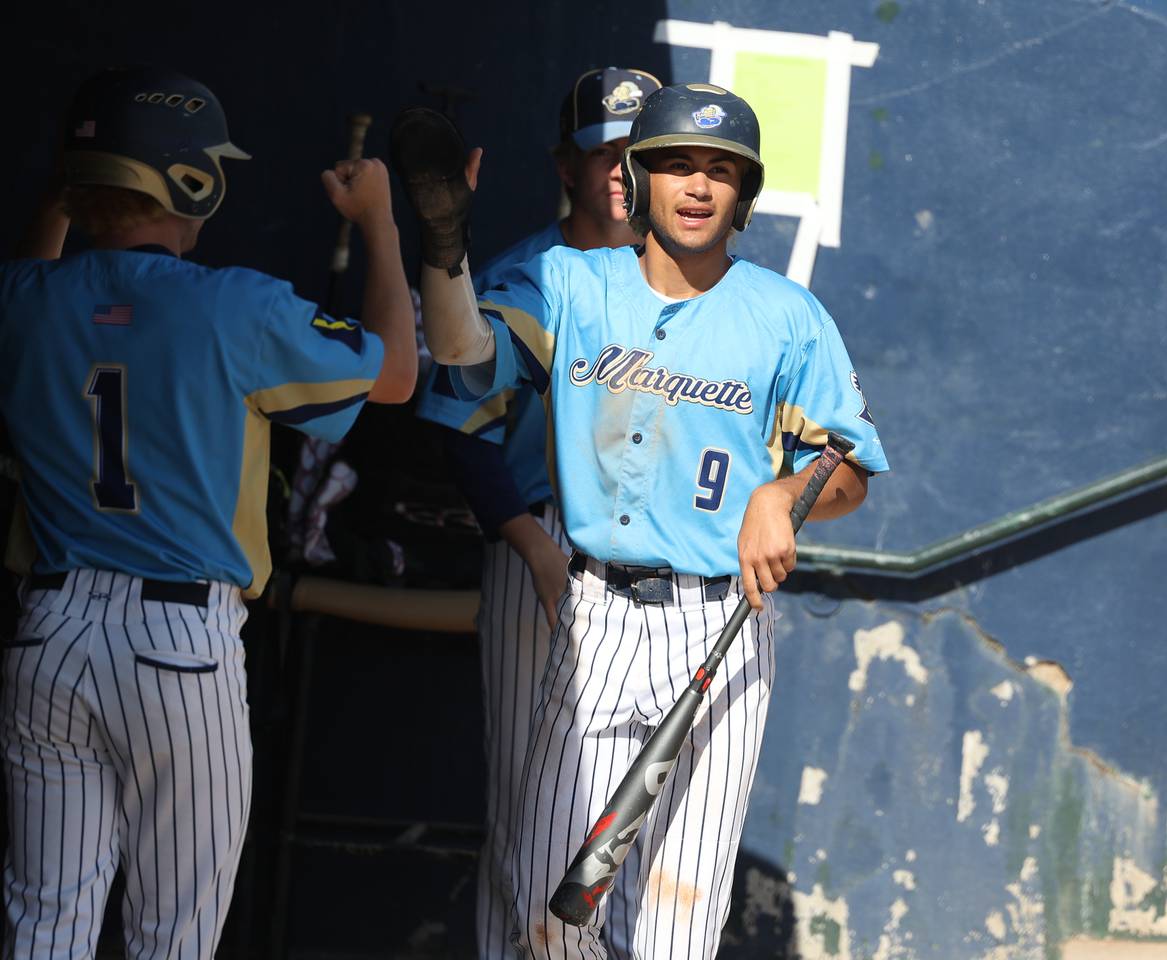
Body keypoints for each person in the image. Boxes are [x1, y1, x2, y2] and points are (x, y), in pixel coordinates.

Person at [397, 82, 888, 958]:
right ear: (637, 176)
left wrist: (781, 495)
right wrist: (444, 247)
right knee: (549, 913)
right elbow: (471, 358)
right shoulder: (571, 282)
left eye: (720, 169)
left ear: (746, 193)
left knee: (672, 929)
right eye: (676, 165)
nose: (698, 186)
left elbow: (849, 464)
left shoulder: (787, 315)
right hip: (594, 621)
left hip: (719, 629)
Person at [0, 66, 415, 956]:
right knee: (174, 937)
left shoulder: (24, 303)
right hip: (178, 646)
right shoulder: (235, 305)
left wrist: (66, 196)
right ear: (189, 181)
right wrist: (379, 220)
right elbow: (398, 376)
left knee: (44, 921)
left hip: (49, 632)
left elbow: (40, 274)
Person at [407, 65, 661, 957]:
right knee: (534, 810)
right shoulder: (531, 274)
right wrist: (530, 548)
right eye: (609, 157)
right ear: (568, 166)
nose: (628, 175)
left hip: (667, 562)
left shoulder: (708, 290)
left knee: (643, 823)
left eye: (647, 154)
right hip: (546, 545)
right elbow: (461, 425)